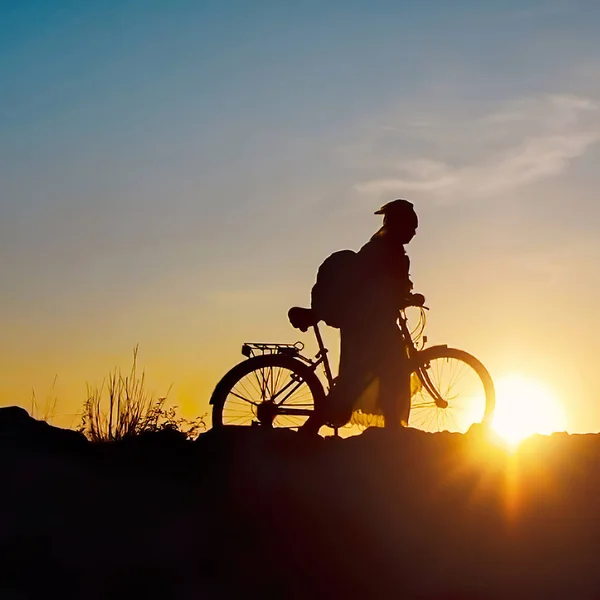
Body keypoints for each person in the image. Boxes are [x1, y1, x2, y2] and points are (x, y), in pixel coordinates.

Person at [300, 198, 424, 435]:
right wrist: (406, 297)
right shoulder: (383, 252)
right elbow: (378, 288)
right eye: (411, 227)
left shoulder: (385, 249)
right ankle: (310, 429)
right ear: (399, 225)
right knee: (363, 377)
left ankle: (391, 426)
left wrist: (403, 297)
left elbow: (385, 287)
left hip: (372, 324)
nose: (414, 232)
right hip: (368, 327)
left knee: (390, 373)